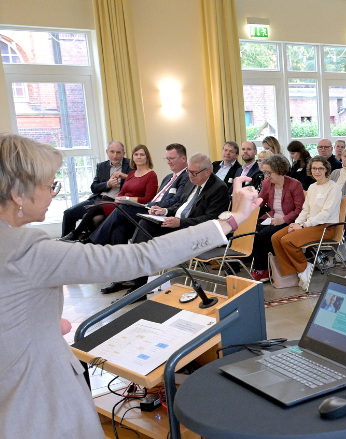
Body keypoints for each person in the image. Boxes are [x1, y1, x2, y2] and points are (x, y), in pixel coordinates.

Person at [0, 134, 262, 439]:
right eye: (49, 185)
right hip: (35, 394)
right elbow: (143, 256)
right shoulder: (25, 250)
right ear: (18, 194)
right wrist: (233, 219)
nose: (52, 193)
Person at [121, 153, 230, 294]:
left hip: (193, 232)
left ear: (207, 171)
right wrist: (165, 211)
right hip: (176, 224)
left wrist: (180, 222)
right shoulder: (191, 182)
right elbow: (180, 205)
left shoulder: (218, 188)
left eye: (194, 173)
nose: (190, 176)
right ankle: (135, 278)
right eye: (188, 171)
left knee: (145, 229)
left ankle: (136, 284)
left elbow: (211, 219)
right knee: (144, 223)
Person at [91, 144, 190, 295]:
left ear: (183, 159)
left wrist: (152, 206)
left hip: (159, 215)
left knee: (122, 209)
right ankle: (121, 279)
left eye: (172, 158)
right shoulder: (168, 177)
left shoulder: (186, 177)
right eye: (167, 159)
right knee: (118, 230)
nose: (168, 162)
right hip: (148, 210)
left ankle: (95, 243)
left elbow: (176, 201)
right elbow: (156, 198)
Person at [61, 144, 158, 242]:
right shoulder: (131, 173)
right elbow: (117, 191)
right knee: (82, 212)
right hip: (115, 202)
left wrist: (127, 198)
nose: (139, 157)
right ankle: (74, 238)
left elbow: (148, 198)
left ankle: (85, 238)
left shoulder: (147, 174)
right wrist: (112, 188)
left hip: (130, 206)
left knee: (98, 212)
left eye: (142, 155)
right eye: (136, 154)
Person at [271, 156, 341, 290]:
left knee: (287, 241)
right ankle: (294, 272)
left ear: (326, 169)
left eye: (320, 168)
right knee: (276, 238)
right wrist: (295, 224)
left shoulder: (333, 188)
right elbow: (306, 210)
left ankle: (304, 267)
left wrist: (303, 226)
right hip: (309, 225)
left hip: (325, 227)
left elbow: (325, 214)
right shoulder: (312, 187)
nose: (317, 171)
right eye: (314, 168)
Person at [249, 155, 305, 282]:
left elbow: (299, 209)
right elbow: (260, 201)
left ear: (279, 170)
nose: (267, 176)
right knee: (254, 231)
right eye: (265, 172)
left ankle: (261, 269)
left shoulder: (294, 185)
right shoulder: (267, 183)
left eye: (269, 172)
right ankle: (265, 268)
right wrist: (248, 207)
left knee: (263, 235)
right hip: (273, 218)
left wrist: (283, 219)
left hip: (289, 221)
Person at [61, 140, 130, 237]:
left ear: (123, 153)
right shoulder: (102, 166)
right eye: (112, 152)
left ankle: (78, 238)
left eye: (118, 152)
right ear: (107, 152)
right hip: (97, 199)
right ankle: (66, 242)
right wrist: (107, 184)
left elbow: (137, 181)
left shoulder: (131, 165)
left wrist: (125, 176)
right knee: (68, 213)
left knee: (91, 217)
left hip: (114, 201)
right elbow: (94, 187)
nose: (115, 155)